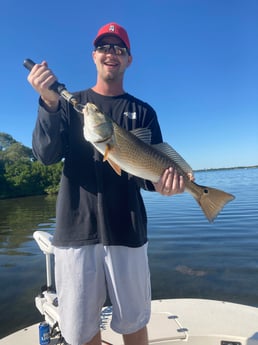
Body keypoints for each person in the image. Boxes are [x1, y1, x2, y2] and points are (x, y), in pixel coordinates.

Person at [27, 22, 185, 345]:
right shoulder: (74, 106)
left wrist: (165, 184)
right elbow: (45, 154)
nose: (111, 53)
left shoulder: (143, 113)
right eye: (104, 46)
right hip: (75, 234)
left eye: (119, 48)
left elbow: (146, 175)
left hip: (128, 233)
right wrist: (48, 105)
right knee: (83, 332)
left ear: (129, 60)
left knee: (134, 324)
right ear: (93, 55)